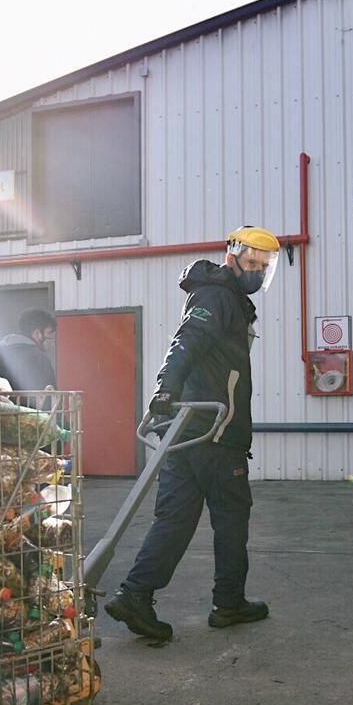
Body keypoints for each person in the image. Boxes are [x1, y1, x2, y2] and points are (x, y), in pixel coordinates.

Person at [103, 226, 281, 641]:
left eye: (263, 267)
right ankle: (229, 603)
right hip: (215, 430)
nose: (255, 273)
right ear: (232, 257)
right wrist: (165, 387)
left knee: (175, 519)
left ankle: (136, 594)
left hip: (188, 429)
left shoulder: (225, 297)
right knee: (232, 519)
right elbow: (187, 340)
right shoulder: (217, 296)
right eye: (251, 264)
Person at [0, 308, 57, 393]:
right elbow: (50, 392)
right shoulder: (39, 358)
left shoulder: (2, 354)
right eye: (49, 333)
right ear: (37, 333)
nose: (52, 339)